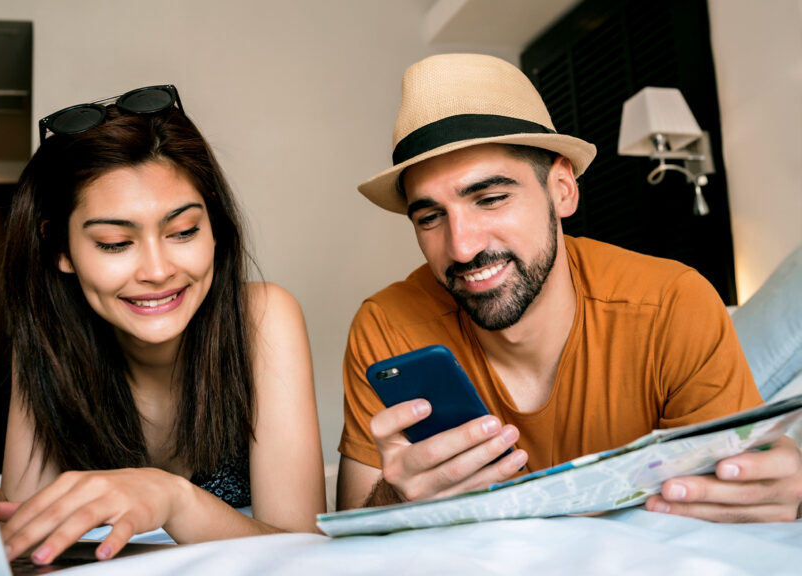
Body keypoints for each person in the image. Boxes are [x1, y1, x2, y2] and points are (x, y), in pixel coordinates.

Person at [336, 54, 802, 522]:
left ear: (562, 189)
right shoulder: (386, 327)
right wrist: (397, 500)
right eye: (431, 217)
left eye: (491, 199)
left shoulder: (672, 305)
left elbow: (740, 513)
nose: (460, 248)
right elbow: (352, 530)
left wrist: (784, 501)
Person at [0, 85, 325, 565]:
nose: (157, 270)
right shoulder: (48, 342)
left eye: (183, 231)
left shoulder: (264, 318)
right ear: (60, 249)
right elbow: (29, 550)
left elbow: (305, 557)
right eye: (114, 243)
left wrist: (175, 499)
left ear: (215, 227)